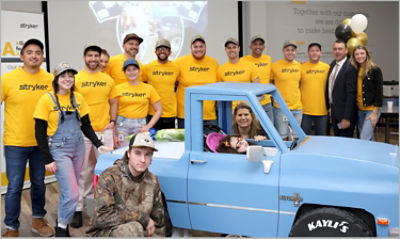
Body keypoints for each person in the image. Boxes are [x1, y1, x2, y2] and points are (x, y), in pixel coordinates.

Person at [33, 63, 110, 236]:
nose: (67, 79)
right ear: (56, 79)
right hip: (59, 150)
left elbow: (86, 125)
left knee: (70, 190)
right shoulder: (46, 99)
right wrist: (47, 159)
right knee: (73, 193)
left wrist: (98, 144)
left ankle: (63, 223)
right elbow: (39, 132)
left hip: (78, 147)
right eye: (63, 76)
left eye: (70, 75)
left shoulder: (78, 98)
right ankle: (61, 228)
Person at [1, 38, 54, 237]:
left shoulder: (50, 79)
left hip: (41, 144)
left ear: (42, 57)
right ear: (22, 56)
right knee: (14, 186)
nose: (34, 55)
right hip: (15, 143)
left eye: (38, 52)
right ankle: (11, 227)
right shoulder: (7, 79)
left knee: (39, 183)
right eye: (29, 52)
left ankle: (38, 220)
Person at [72, 44, 119, 228]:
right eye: (90, 56)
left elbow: (113, 102)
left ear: (100, 59)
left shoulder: (107, 79)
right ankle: (78, 209)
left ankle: (103, 210)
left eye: (96, 56)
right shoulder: (76, 79)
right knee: (83, 172)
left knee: (107, 172)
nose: (93, 59)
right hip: (83, 132)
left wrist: (113, 120)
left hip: (104, 132)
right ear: (84, 57)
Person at [86, 132, 166, 237]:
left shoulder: (153, 181)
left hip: (139, 233)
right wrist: (141, 217)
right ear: (128, 153)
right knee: (133, 228)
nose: (142, 159)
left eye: (148, 154)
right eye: (138, 153)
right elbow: (101, 218)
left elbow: (158, 223)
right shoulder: (110, 176)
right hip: (105, 232)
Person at [174, 35, 219, 128]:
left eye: (201, 46)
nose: (198, 49)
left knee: (210, 142)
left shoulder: (213, 63)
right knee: (186, 142)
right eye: (195, 46)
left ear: (205, 47)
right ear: (190, 48)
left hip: (208, 115)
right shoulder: (179, 62)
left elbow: (219, 87)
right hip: (186, 115)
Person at [115, 59, 162, 147]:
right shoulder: (118, 88)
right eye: (128, 70)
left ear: (139, 71)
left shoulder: (149, 88)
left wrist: (148, 127)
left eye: (134, 69)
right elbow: (112, 110)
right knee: (122, 151)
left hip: (140, 125)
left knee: (138, 150)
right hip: (122, 125)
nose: (132, 72)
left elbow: (159, 110)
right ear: (124, 73)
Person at [142, 39, 179, 130]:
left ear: (170, 52)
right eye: (160, 49)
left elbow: (176, 85)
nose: (162, 51)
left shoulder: (176, 68)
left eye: (165, 49)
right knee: (153, 142)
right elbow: (144, 86)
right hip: (152, 113)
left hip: (170, 112)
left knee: (169, 142)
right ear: (155, 52)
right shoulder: (147, 67)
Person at [350, 45, 383, 140]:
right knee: (367, 138)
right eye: (357, 54)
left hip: (371, 110)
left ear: (367, 54)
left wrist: (375, 113)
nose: (359, 56)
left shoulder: (375, 70)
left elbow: (379, 92)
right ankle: (372, 155)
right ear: (354, 56)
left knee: (364, 137)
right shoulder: (355, 70)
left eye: (362, 53)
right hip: (360, 110)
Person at [325, 40, 358, 137]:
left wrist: (346, 118)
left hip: (345, 116)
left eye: (340, 49)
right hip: (335, 114)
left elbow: (351, 95)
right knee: (338, 144)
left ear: (346, 51)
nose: (337, 51)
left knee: (345, 147)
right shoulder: (332, 65)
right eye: (335, 49)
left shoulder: (350, 68)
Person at [271, 41, 302, 140]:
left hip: (297, 108)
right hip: (281, 108)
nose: (290, 52)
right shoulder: (275, 66)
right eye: (287, 50)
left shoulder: (300, 66)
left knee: (296, 137)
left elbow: (300, 84)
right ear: (283, 51)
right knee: (283, 137)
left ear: (295, 52)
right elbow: (271, 82)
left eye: (292, 50)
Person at [300, 42, 330, 135]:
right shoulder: (301, 67)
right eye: (312, 51)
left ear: (321, 53)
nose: (314, 53)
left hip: (322, 110)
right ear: (308, 53)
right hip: (305, 111)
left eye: (317, 51)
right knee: (305, 140)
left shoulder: (327, 67)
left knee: (321, 140)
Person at [241, 35, 274, 122]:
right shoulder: (244, 60)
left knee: (269, 131)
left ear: (264, 47)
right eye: (255, 44)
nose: (258, 46)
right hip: (251, 102)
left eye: (260, 44)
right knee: (253, 131)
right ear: (250, 46)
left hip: (266, 103)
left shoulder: (268, 59)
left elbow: (271, 79)